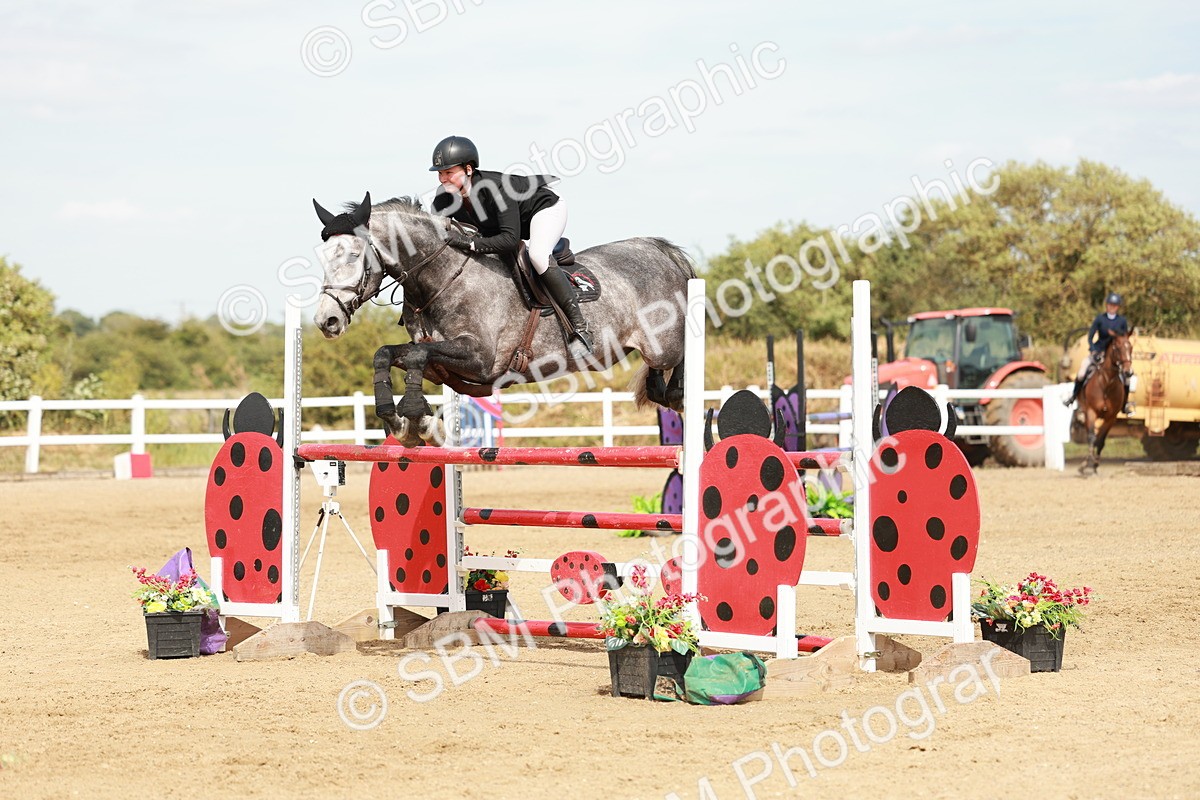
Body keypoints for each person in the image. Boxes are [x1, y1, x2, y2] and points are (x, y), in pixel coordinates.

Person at [427, 135, 592, 356]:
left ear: (468, 169)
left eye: (448, 173)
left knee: (538, 255)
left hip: (544, 208)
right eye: (440, 173)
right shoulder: (443, 200)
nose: (442, 179)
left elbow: (510, 240)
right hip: (507, 225)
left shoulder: (496, 189)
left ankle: (580, 329)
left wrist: (469, 243)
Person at [1065, 292, 1131, 412]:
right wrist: (1093, 349)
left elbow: (1124, 338)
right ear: (1107, 305)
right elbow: (1091, 336)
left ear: (1118, 307)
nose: (1112, 307)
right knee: (1081, 372)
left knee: (1127, 378)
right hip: (1099, 350)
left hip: (1115, 355)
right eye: (1110, 305)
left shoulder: (1122, 321)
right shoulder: (1100, 319)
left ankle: (1125, 405)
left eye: (1115, 306)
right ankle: (1073, 397)